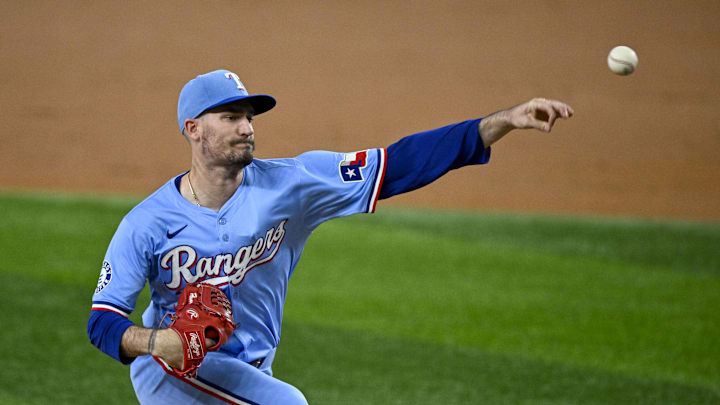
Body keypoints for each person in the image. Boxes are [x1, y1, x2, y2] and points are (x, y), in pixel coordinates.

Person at [87, 69, 574, 404]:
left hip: (242, 370)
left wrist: (502, 122)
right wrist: (157, 342)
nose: (246, 128)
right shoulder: (147, 223)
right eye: (230, 117)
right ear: (193, 129)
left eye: (249, 117)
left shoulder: (292, 185)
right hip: (173, 371)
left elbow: (400, 163)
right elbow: (103, 322)